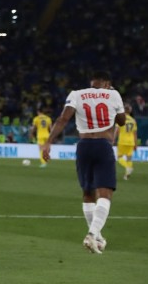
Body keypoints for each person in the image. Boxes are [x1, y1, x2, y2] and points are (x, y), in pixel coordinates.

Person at [42, 71, 126, 254]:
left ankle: (97, 237)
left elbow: (63, 119)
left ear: (91, 82)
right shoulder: (113, 94)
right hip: (104, 145)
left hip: (84, 145)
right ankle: (92, 234)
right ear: (106, 82)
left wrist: (48, 142)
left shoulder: (77, 94)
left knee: (88, 193)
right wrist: (112, 97)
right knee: (105, 193)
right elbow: (121, 121)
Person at [116, 105, 138, 180]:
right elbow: (135, 133)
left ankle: (127, 167)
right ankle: (126, 175)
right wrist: (136, 144)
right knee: (129, 158)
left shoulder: (121, 119)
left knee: (119, 157)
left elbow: (117, 131)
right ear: (130, 111)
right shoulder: (133, 120)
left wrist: (113, 138)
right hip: (131, 141)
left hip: (122, 140)